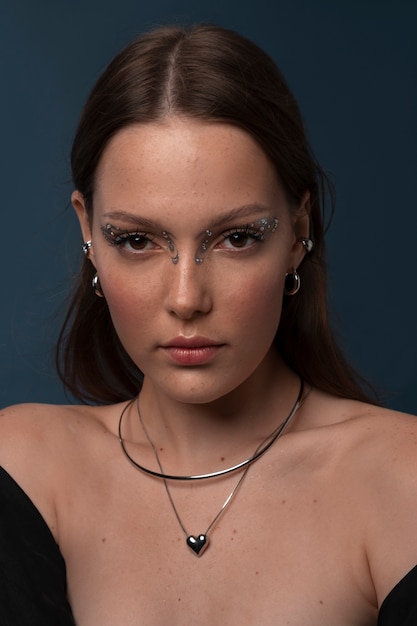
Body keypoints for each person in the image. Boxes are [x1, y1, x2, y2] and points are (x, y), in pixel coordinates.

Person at [0, 23, 416, 626]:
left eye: (237, 238)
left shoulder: (399, 482)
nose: (187, 298)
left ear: (300, 230)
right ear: (88, 232)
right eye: (137, 240)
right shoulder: (20, 469)